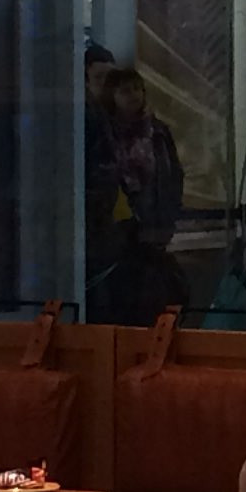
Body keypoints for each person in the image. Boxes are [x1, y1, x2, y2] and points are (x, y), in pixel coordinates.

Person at [85, 66, 188, 326]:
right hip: (117, 233)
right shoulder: (103, 134)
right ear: (112, 95)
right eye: (125, 91)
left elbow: (173, 175)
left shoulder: (158, 132)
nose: (133, 95)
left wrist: (168, 216)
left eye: (137, 89)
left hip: (155, 227)